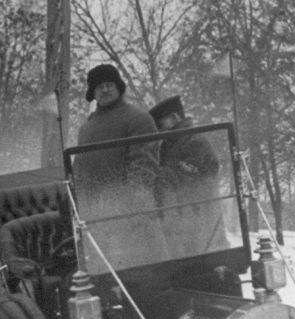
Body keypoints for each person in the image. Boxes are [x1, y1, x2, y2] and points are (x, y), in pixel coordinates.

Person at [73, 63, 166, 268]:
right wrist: (78, 205)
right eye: (99, 87)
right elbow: (80, 171)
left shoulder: (138, 119)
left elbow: (143, 166)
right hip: (98, 220)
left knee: (145, 277)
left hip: (134, 219)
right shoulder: (87, 128)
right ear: (92, 93)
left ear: (119, 87)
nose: (105, 90)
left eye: (109, 84)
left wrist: (132, 207)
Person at [150, 95, 227, 255]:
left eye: (160, 124)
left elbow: (178, 182)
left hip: (202, 235)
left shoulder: (196, 143)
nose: (158, 130)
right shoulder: (169, 145)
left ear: (174, 117)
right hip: (182, 231)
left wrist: (147, 171)